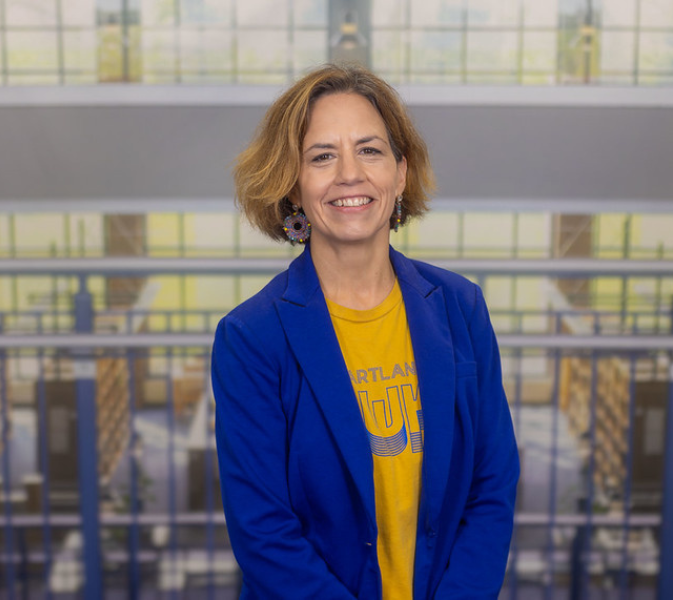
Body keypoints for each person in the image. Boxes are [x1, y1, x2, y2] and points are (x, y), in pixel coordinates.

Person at [211, 63, 519, 599]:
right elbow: (264, 534)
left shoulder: (460, 307)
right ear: (293, 185)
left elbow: (492, 486)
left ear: (400, 174)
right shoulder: (250, 338)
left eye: (370, 150)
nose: (349, 173)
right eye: (322, 156)